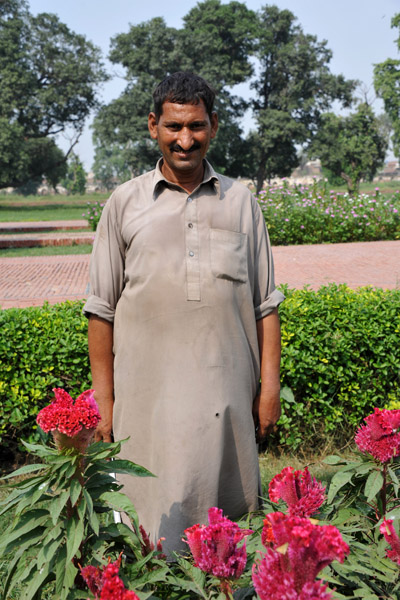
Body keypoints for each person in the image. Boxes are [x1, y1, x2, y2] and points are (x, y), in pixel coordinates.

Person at [84, 71, 285, 556]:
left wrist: (270, 387)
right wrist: (103, 397)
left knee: (228, 527)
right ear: (153, 126)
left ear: (213, 126)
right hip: (147, 396)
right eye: (174, 126)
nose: (185, 139)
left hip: (227, 395)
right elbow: (100, 309)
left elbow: (266, 303)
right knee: (147, 514)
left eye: (196, 125)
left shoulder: (241, 203)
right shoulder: (124, 205)